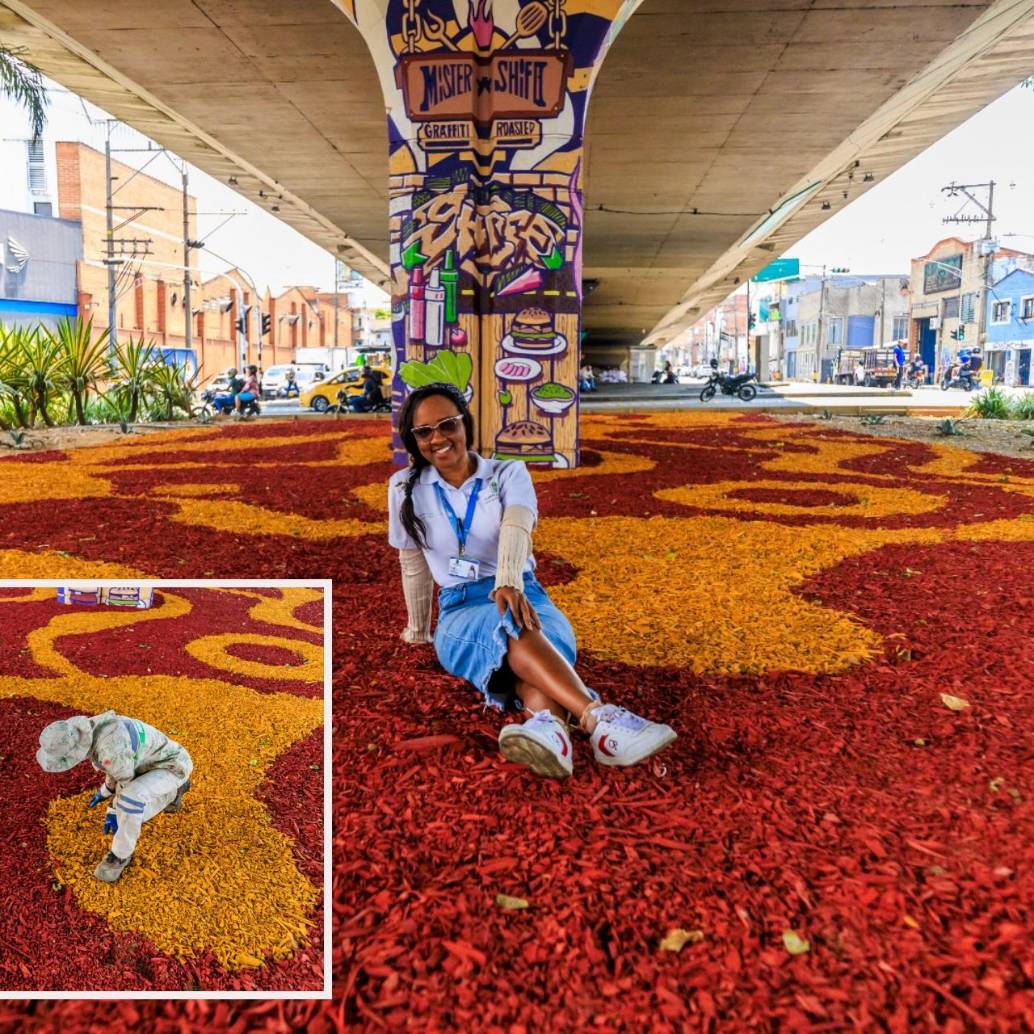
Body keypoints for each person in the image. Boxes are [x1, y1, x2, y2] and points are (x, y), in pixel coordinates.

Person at [387, 383, 676, 779]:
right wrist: (418, 630)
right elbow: (413, 562)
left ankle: (549, 729)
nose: (438, 438)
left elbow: (517, 526)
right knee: (516, 630)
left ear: (466, 425)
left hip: (525, 593)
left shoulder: (507, 472)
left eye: (447, 424)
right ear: (413, 439)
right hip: (462, 609)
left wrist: (508, 581)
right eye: (424, 432)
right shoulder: (404, 487)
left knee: (531, 636)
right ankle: (597, 717)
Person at [36, 710, 193, 882]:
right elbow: (117, 767)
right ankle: (170, 790)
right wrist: (106, 791)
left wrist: (114, 809)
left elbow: (124, 782)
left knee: (130, 802)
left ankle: (120, 856)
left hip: (172, 767)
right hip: (147, 764)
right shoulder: (94, 728)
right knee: (127, 805)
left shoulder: (111, 750)